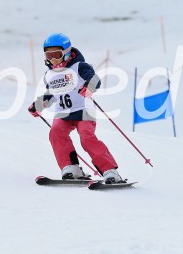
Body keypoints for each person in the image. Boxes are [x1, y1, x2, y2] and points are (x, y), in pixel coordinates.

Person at [27, 33, 123, 184]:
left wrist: (89, 87)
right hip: (63, 113)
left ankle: (110, 171)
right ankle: (71, 168)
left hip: (84, 110)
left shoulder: (79, 67)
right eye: (49, 55)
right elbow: (51, 94)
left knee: (86, 137)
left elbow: (94, 79)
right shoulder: (50, 74)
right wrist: (38, 106)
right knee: (56, 133)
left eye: (57, 55)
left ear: (66, 53)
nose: (53, 60)